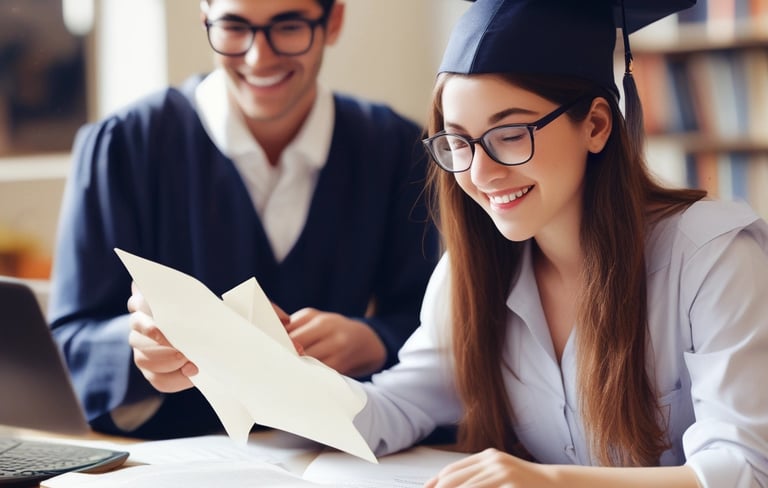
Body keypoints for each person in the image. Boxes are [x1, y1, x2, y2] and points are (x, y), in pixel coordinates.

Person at [127, 0, 768, 486]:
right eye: (457, 142)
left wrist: (549, 481)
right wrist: (238, 356)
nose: (480, 174)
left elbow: (741, 467)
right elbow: (387, 412)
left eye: (510, 134)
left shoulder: (711, 259)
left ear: (597, 124)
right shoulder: (472, 272)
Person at [47, 0, 438, 440]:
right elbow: (69, 344)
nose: (258, 57)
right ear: (205, 20)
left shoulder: (396, 148)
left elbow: (440, 322)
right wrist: (138, 345)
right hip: (170, 458)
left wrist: (377, 340)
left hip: (342, 453)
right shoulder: (123, 145)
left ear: (333, 21)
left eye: (288, 26)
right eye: (234, 27)